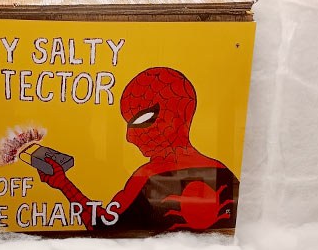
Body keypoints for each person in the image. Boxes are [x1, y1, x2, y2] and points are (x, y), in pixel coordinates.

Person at [40, 67, 238, 232]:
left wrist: (63, 184)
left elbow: (103, 226)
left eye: (141, 120)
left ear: (176, 118)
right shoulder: (226, 175)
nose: (129, 137)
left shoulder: (147, 178)